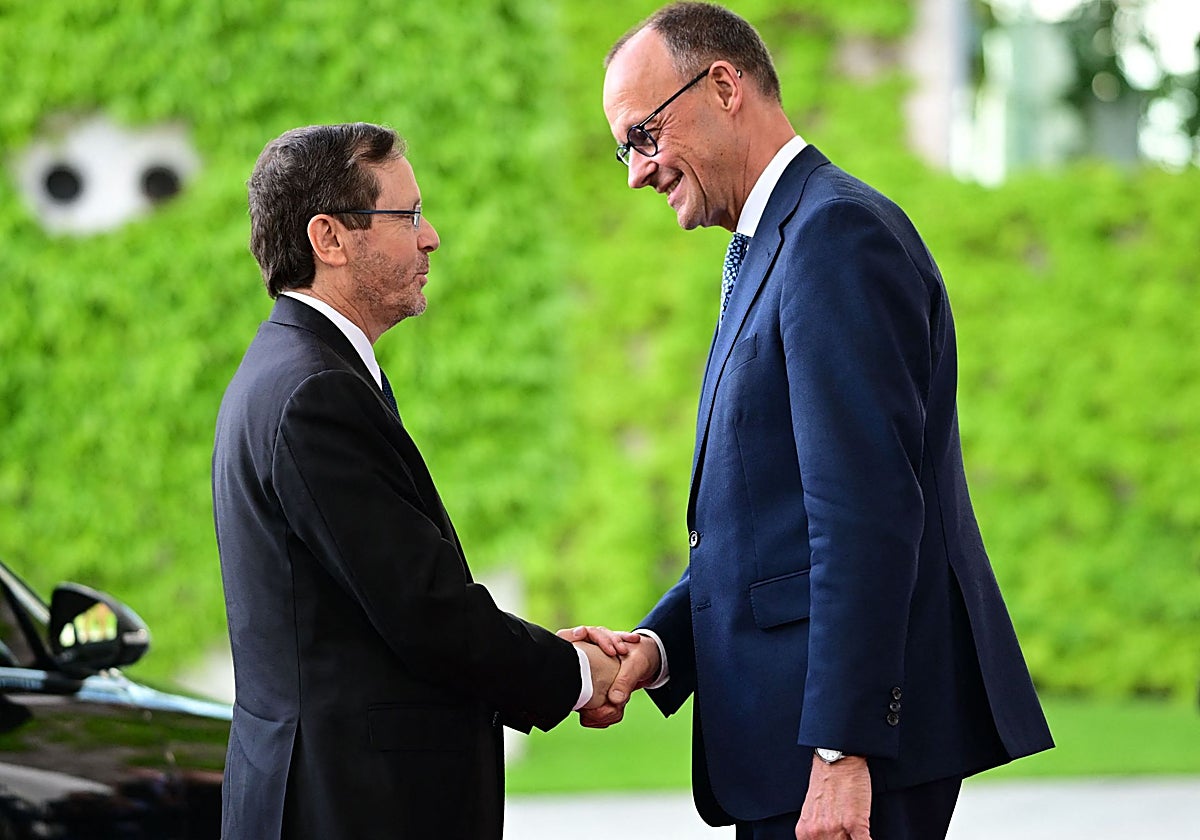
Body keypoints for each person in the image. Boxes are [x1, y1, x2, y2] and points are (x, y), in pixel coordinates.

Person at [563, 5, 1054, 839]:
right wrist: (658, 647)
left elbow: (866, 513)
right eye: (626, 148)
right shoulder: (770, 244)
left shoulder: (834, 235)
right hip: (784, 756)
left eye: (645, 135)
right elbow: (771, 529)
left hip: (839, 764)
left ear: (724, 87)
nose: (637, 172)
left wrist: (841, 750)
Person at [212, 122, 617, 840]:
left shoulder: (292, 369)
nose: (431, 238)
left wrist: (551, 659)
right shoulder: (315, 392)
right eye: (408, 215)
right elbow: (426, 613)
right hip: (350, 808)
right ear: (329, 238)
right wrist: (578, 673)